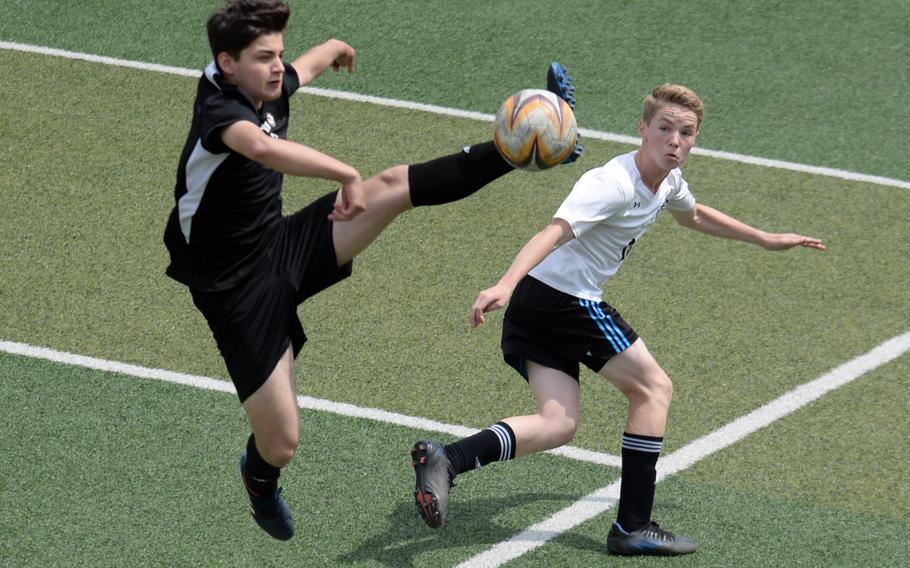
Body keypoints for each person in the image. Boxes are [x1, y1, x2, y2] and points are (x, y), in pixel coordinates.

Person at [162, 0, 580, 541]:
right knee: (283, 441)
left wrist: (330, 50)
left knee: (391, 189)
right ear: (225, 63)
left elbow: (298, 74)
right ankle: (259, 480)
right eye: (263, 57)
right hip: (235, 289)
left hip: (280, 243)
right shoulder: (224, 115)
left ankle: (512, 149)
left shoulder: (261, 81)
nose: (276, 68)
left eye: (279, 55)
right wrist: (344, 172)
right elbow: (263, 149)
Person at [410, 83, 826, 556]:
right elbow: (553, 232)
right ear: (643, 129)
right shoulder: (611, 183)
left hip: (539, 304)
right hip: (563, 300)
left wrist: (764, 238)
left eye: (686, 132)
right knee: (653, 388)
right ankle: (633, 525)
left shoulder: (666, 182)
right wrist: (504, 284)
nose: (675, 140)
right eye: (665, 128)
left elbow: (694, 216)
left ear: (694, 140)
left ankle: (448, 459)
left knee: (557, 424)